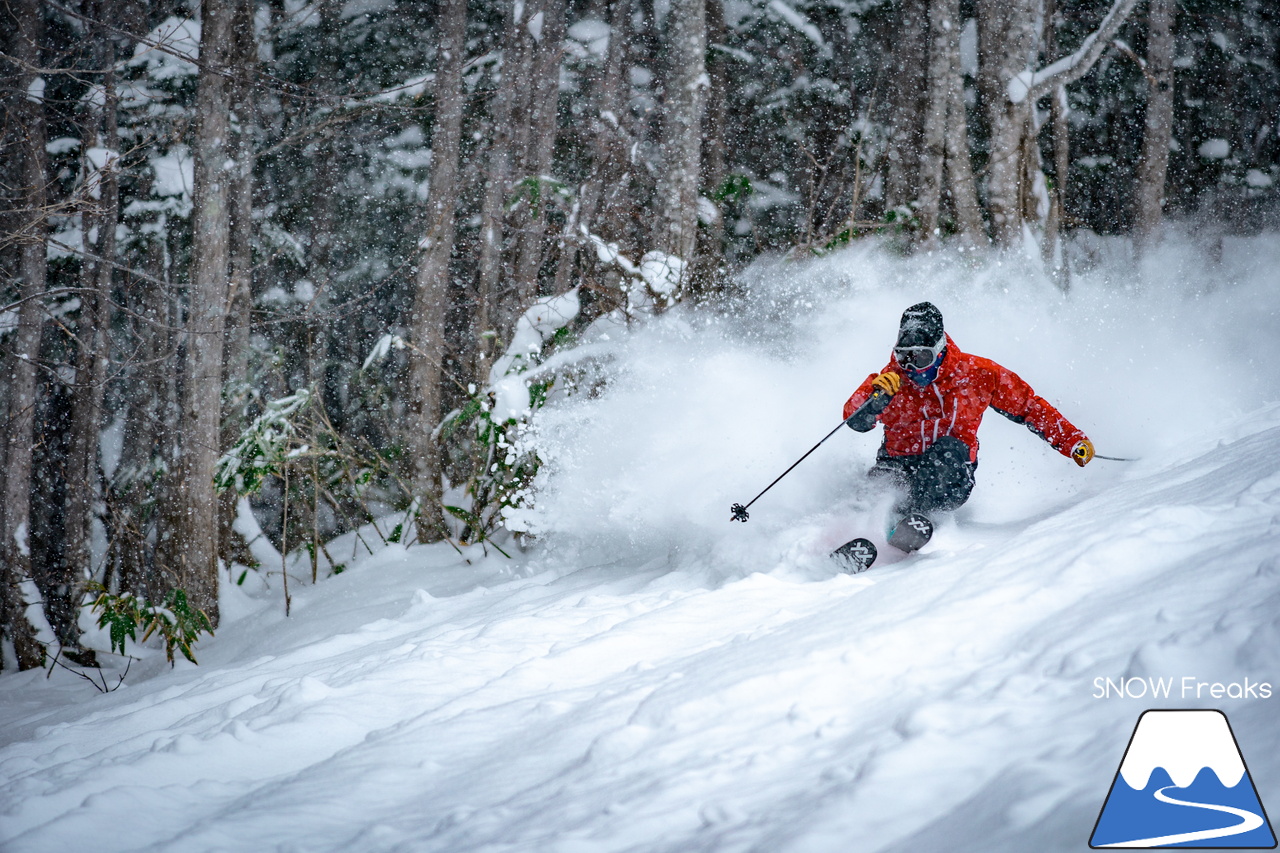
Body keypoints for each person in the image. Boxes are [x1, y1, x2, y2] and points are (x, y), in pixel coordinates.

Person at [843, 301, 1093, 552]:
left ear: (939, 349)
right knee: (878, 489)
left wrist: (1072, 441)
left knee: (946, 452)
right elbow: (853, 419)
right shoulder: (889, 381)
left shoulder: (978, 374)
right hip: (897, 462)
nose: (911, 367)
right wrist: (874, 402)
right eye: (904, 356)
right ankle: (850, 539)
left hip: (950, 470)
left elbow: (1029, 407)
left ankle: (917, 522)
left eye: (921, 357)